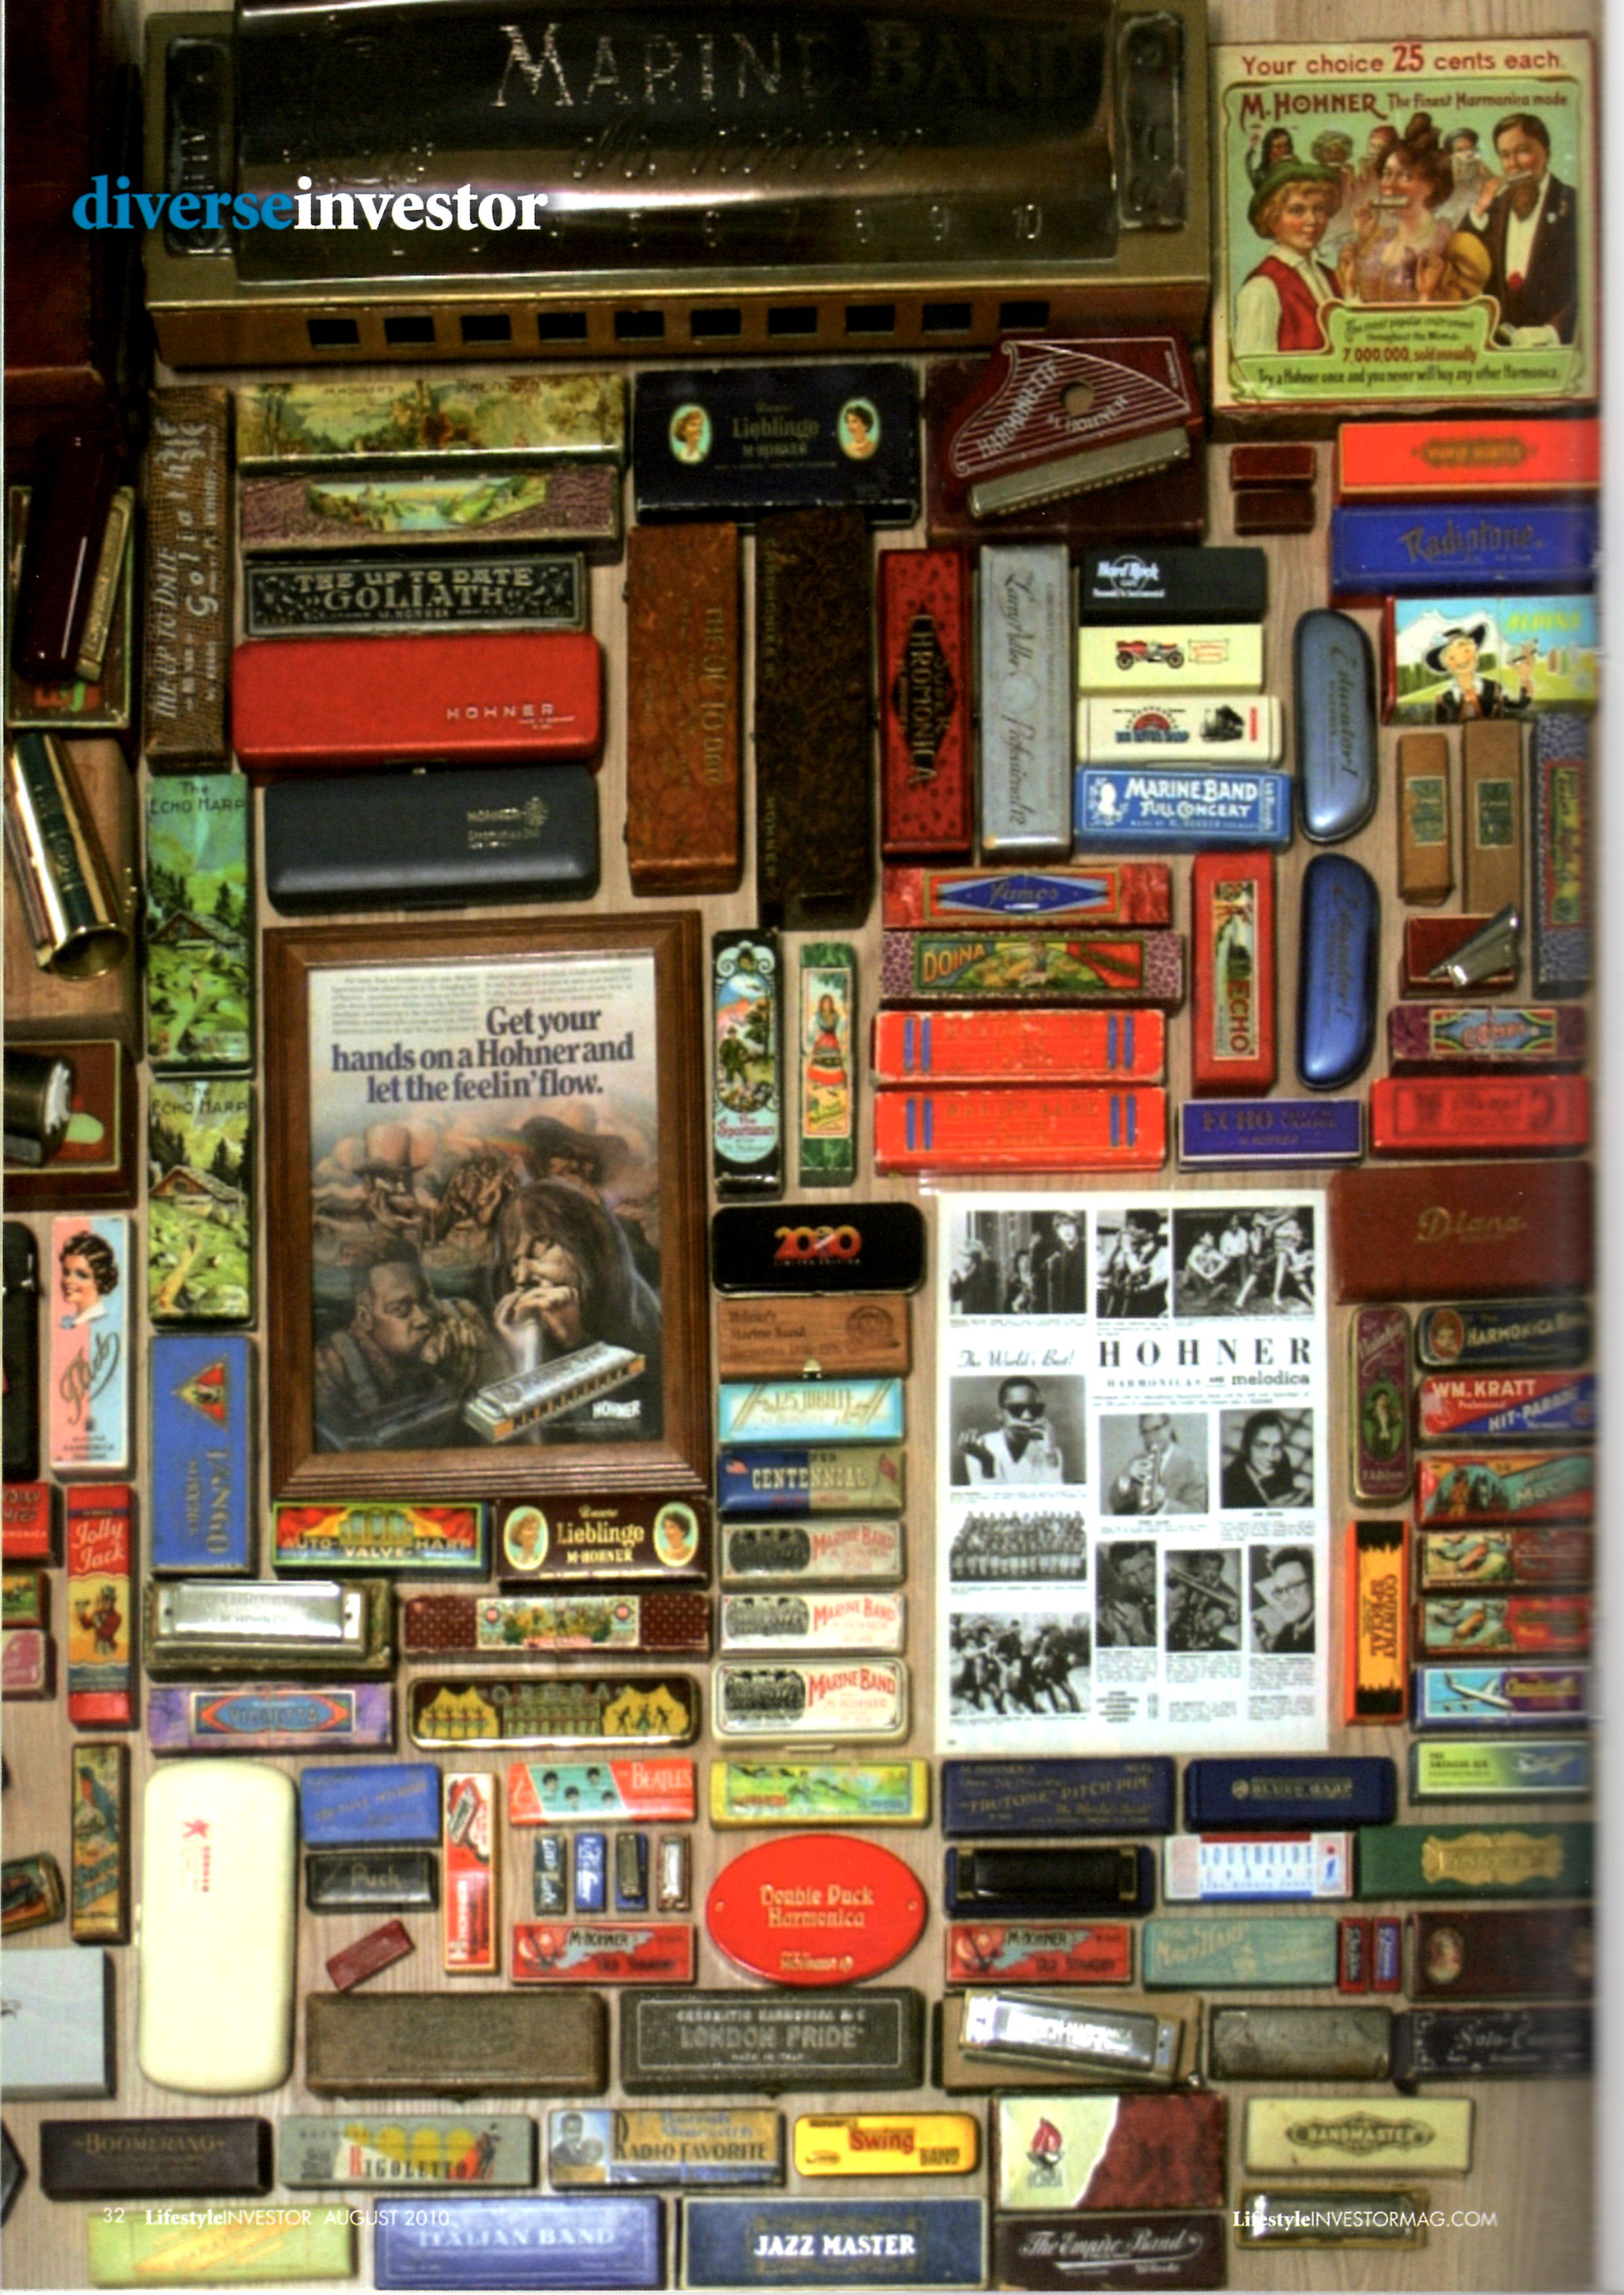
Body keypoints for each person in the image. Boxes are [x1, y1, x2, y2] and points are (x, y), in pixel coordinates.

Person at [488, 1180, 663, 1433]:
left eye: (538, 1251)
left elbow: (641, 1423)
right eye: (514, 1263)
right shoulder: (518, 1324)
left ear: (582, 1245)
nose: (521, 1277)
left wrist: (576, 1342)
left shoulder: (640, 1316)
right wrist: (523, 1355)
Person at [313, 1241, 498, 1450]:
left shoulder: (462, 1321)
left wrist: (478, 1365)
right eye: (401, 1309)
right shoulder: (331, 1366)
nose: (423, 1319)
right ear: (365, 1318)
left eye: (427, 1301)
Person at [1462, 111, 1579, 343]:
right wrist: (1479, 209)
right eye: (1505, 156)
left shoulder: (1576, 205)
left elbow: (1595, 285)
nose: (1513, 165)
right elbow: (1461, 258)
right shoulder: (1493, 207)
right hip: (1500, 348)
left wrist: (1551, 332)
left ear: (1546, 153)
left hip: (1552, 349)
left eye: (1523, 151)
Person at [1339, 115, 1454, 304]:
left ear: (1430, 186)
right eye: (1386, 174)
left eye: (1405, 177)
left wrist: (1426, 296)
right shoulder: (1378, 241)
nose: (1389, 186)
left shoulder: (1453, 246)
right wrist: (1351, 286)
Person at [1232, 161, 1343, 354]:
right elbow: (1255, 369)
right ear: (1272, 218)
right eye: (1297, 211)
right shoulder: (1262, 288)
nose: (1312, 221)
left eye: (1319, 210)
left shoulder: (1328, 276)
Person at [959, 1378, 1066, 1485]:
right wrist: (987, 1463)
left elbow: (1053, 1493)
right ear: (1000, 1414)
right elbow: (985, 1495)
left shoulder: (1048, 1450)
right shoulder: (982, 1447)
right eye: (1017, 1409)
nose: (1027, 1417)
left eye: (1035, 1410)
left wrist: (1050, 1456)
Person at [1425, 621, 1533, 723]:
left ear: (1475, 655)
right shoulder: (1444, 698)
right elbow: (1440, 726)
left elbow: (1518, 706)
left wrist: (1524, 678)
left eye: (1466, 651)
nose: (1462, 660)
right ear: (1446, 665)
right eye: (1452, 657)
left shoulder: (1493, 688)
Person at [1108, 1414, 1208, 1515]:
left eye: (1156, 1429)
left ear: (1169, 1429)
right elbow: (1117, 1506)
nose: (1150, 1437)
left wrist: (1165, 1504)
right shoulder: (1138, 1461)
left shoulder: (1191, 1465)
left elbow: (1198, 1512)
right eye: (1145, 1433)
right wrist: (1126, 1478)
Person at [1222, 1410, 1311, 1509]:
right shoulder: (1227, 1484)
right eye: (1262, 1446)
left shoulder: (1282, 1461)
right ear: (1246, 1447)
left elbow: (1286, 1492)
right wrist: (1269, 1510)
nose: (1271, 1456)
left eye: (1277, 1446)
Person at [1251, 1547, 1317, 1653]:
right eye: (1280, 1591)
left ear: (1313, 1584)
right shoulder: (1286, 1633)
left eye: (1292, 1587)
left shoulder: (1323, 1634)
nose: (1285, 1599)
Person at [1097, 1543, 1158, 1646]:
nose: (1141, 1579)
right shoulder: (1124, 1612)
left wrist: (1139, 1637)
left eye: (1144, 1569)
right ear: (1120, 1579)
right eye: (1131, 1575)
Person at [58, 1229, 119, 1326]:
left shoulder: (104, 1323)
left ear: (99, 1280)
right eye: (66, 1273)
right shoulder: (68, 1322)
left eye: (81, 1275)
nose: (68, 1281)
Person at [949, 1237, 1001, 1318]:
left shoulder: (986, 1269)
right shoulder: (968, 1275)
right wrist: (956, 1283)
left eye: (964, 1256)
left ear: (973, 1257)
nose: (960, 1260)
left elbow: (982, 1293)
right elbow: (956, 1297)